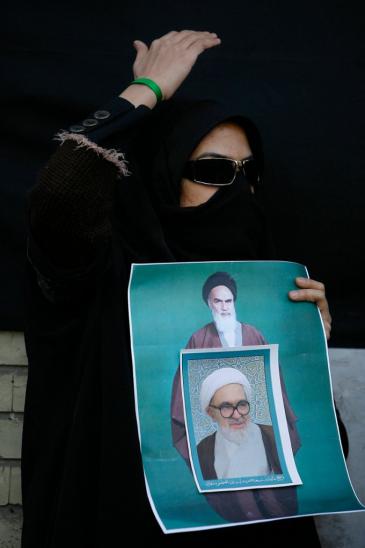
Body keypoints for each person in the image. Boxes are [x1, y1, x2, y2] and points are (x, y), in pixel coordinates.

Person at [21, 29, 337, 546]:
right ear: (164, 175)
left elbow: (318, 461)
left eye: (248, 173)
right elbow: (58, 197)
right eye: (213, 170)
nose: (235, 191)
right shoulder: (99, 275)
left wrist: (308, 356)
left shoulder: (267, 292)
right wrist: (146, 91)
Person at [171, 270, 299, 521]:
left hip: (251, 423)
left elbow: (274, 383)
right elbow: (185, 390)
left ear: (234, 303)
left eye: (228, 301)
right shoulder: (198, 339)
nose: (224, 307)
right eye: (217, 301)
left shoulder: (254, 334)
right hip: (223, 429)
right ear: (209, 303)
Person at [197, 367, 282, 481]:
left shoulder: (276, 437)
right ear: (211, 413)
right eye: (226, 407)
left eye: (242, 404)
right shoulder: (201, 451)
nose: (237, 416)